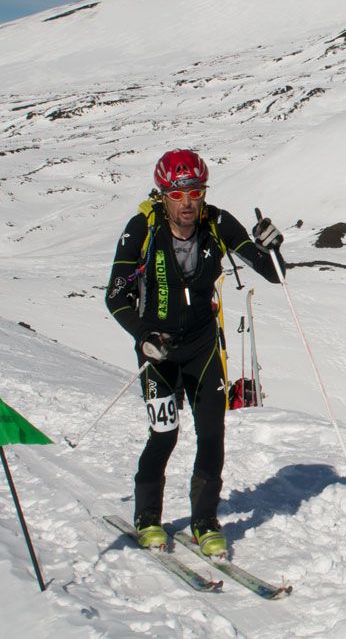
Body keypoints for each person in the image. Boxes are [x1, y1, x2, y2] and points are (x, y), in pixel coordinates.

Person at [105, 149, 284, 555]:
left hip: (203, 348)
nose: (187, 203)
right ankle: (147, 517)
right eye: (177, 194)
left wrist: (272, 246)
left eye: (195, 192)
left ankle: (205, 520)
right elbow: (115, 296)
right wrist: (143, 336)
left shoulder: (216, 222)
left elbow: (273, 273)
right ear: (162, 195)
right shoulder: (141, 229)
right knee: (164, 435)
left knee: (212, 433)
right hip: (158, 352)